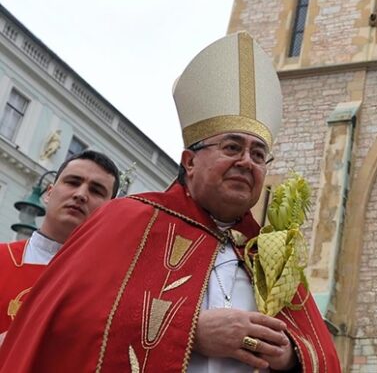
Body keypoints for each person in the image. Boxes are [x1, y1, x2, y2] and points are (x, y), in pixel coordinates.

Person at [0, 32, 340, 372]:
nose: (247, 161)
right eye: (232, 147)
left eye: (259, 154)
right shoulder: (127, 218)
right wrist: (189, 330)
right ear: (189, 162)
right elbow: (61, 322)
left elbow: (324, 357)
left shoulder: (268, 259)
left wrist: (288, 356)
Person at [0, 150, 119, 337]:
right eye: (73, 182)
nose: (81, 194)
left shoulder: (108, 293)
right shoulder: (3, 258)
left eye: (96, 190)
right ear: (49, 193)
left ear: (108, 212)